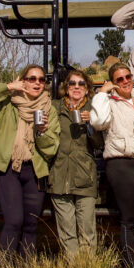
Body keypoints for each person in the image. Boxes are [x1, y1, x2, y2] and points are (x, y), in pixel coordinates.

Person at [0, 65, 61, 268]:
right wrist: (7, 87)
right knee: (14, 221)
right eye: (31, 78)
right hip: (9, 168)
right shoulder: (8, 104)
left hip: (34, 170)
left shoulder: (48, 109)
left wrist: (41, 132)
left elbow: (51, 148)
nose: (37, 83)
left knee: (31, 224)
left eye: (41, 79)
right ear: (23, 80)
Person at [90, 62, 134, 268]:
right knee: (129, 219)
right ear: (113, 83)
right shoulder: (109, 103)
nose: (125, 81)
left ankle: (122, 265)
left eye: (128, 77)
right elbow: (98, 123)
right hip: (120, 162)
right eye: (119, 79)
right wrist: (101, 93)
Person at [49, 69, 102, 258]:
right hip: (59, 174)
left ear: (87, 89)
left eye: (81, 84)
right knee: (66, 231)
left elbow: (99, 144)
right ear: (66, 87)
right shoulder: (54, 107)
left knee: (87, 229)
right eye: (72, 83)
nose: (76, 87)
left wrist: (90, 125)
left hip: (85, 176)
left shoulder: (94, 109)